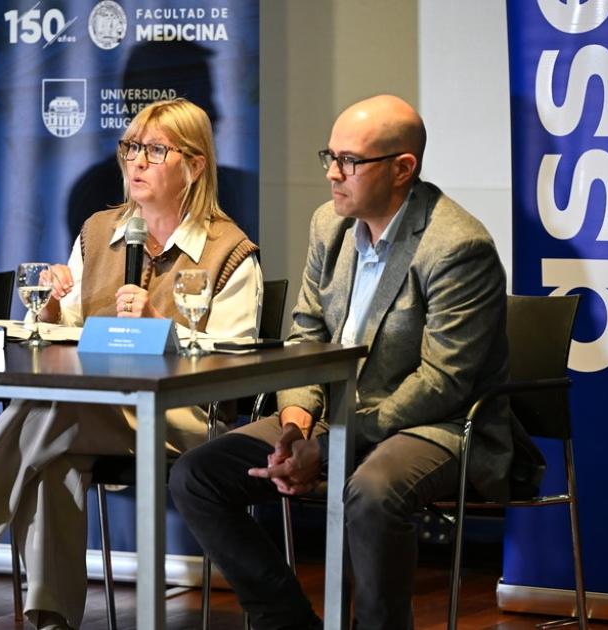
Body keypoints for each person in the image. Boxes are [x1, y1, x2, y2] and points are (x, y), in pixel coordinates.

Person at [0, 98, 263, 630]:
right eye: (131, 147)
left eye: (156, 151)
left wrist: (162, 327)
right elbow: (68, 338)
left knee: (55, 411)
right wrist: (52, 302)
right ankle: (50, 622)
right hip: (92, 407)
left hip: (186, 417)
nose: (136, 163)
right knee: (54, 458)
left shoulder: (230, 250)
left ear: (195, 164)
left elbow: (237, 364)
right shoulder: (98, 230)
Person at [168, 94, 516, 630]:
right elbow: (307, 337)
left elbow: (444, 380)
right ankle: (286, 620)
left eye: (349, 161)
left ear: (403, 169)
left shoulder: (456, 246)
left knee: (373, 490)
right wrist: (295, 425)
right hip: (334, 417)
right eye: (329, 156)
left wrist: (327, 448)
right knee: (198, 474)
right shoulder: (328, 227)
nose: (333, 174)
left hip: (440, 425)